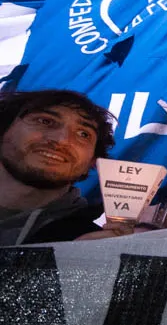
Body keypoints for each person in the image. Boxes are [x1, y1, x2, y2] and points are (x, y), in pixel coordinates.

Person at [0, 89, 128, 244]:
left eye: (83, 134)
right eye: (45, 121)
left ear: (92, 162)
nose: (61, 140)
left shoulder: (92, 248)